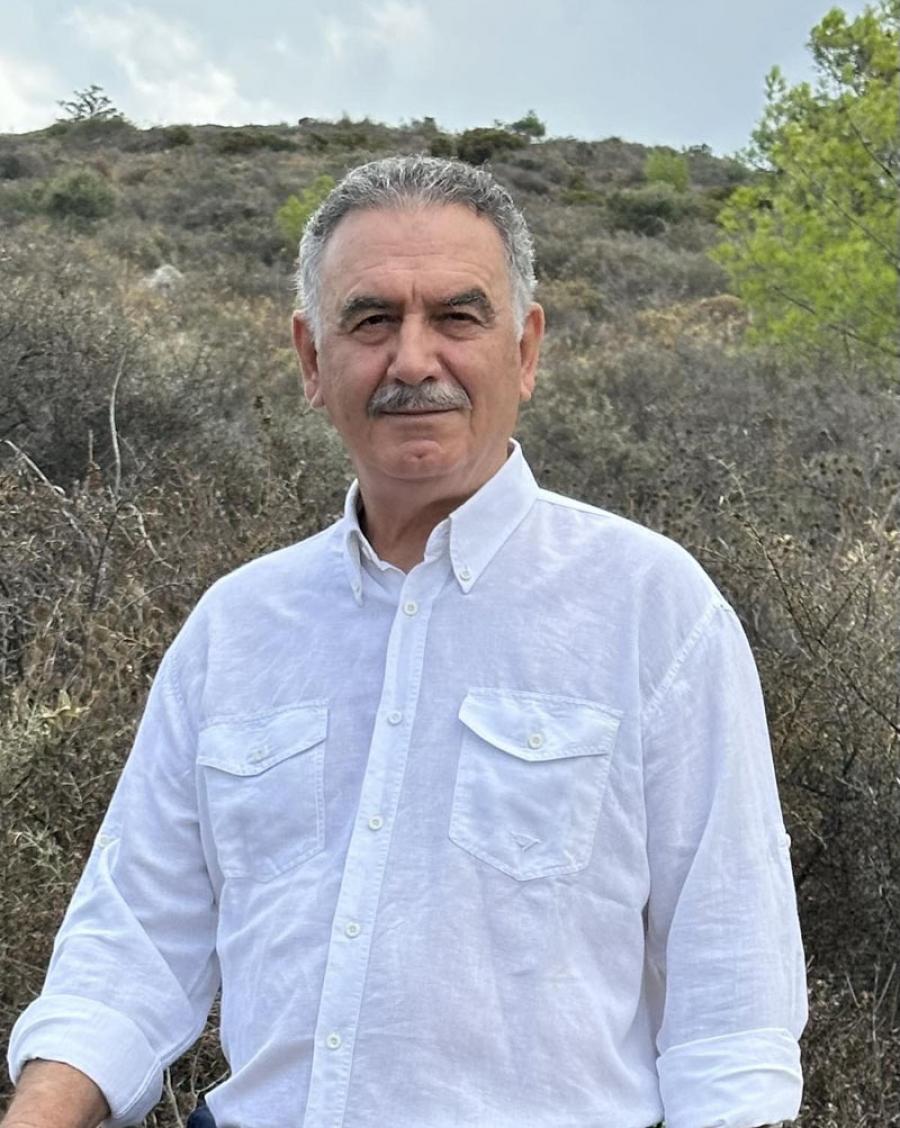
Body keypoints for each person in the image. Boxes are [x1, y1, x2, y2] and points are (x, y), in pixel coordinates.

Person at [4, 156, 806, 1128]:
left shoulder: (654, 609)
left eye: (458, 318)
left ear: (526, 350)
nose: (414, 360)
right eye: (372, 320)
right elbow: (128, 948)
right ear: (311, 359)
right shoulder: (236, 627)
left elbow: (732, 1006)